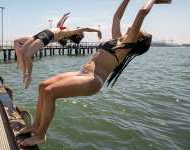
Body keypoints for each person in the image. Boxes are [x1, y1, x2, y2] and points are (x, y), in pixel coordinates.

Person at [18, 0, 171, 147]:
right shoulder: (118, 39)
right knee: (43, 86)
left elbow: (143, 12)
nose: (135, 27)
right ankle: (35, 126)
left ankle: (41, 135)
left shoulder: (126, 45)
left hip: (93, 80)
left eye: (140, 31)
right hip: (82, 73)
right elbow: (117, 17)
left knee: (50, 92)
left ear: (139, 38)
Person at [14, 12, 102, 89]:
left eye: (80, 32)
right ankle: (24, 73)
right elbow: (59, 24)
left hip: (46, 36)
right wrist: (63, 16)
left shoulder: (72, 31)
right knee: (21, 50)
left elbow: (86, 28)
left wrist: (98, 31)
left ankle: (29, 76)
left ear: (77, 34)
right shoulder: (64, 30)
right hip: (41, 33)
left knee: (28, 55)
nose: (79, 29)